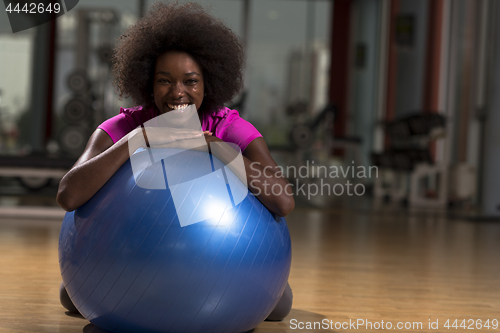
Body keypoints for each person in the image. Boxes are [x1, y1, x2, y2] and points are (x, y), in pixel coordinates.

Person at [57, 1, 294, 323]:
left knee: (277, 307)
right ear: (147, 82)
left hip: (225, 267)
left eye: (191, 81)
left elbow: (283, 201)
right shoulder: (123, 127)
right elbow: (69, 196)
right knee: (71, 298)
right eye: (165, 80)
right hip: (127, 263)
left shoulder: (230, 128)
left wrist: (218, 150)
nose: (178, 92)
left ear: (208, 83)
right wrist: (137, 139)